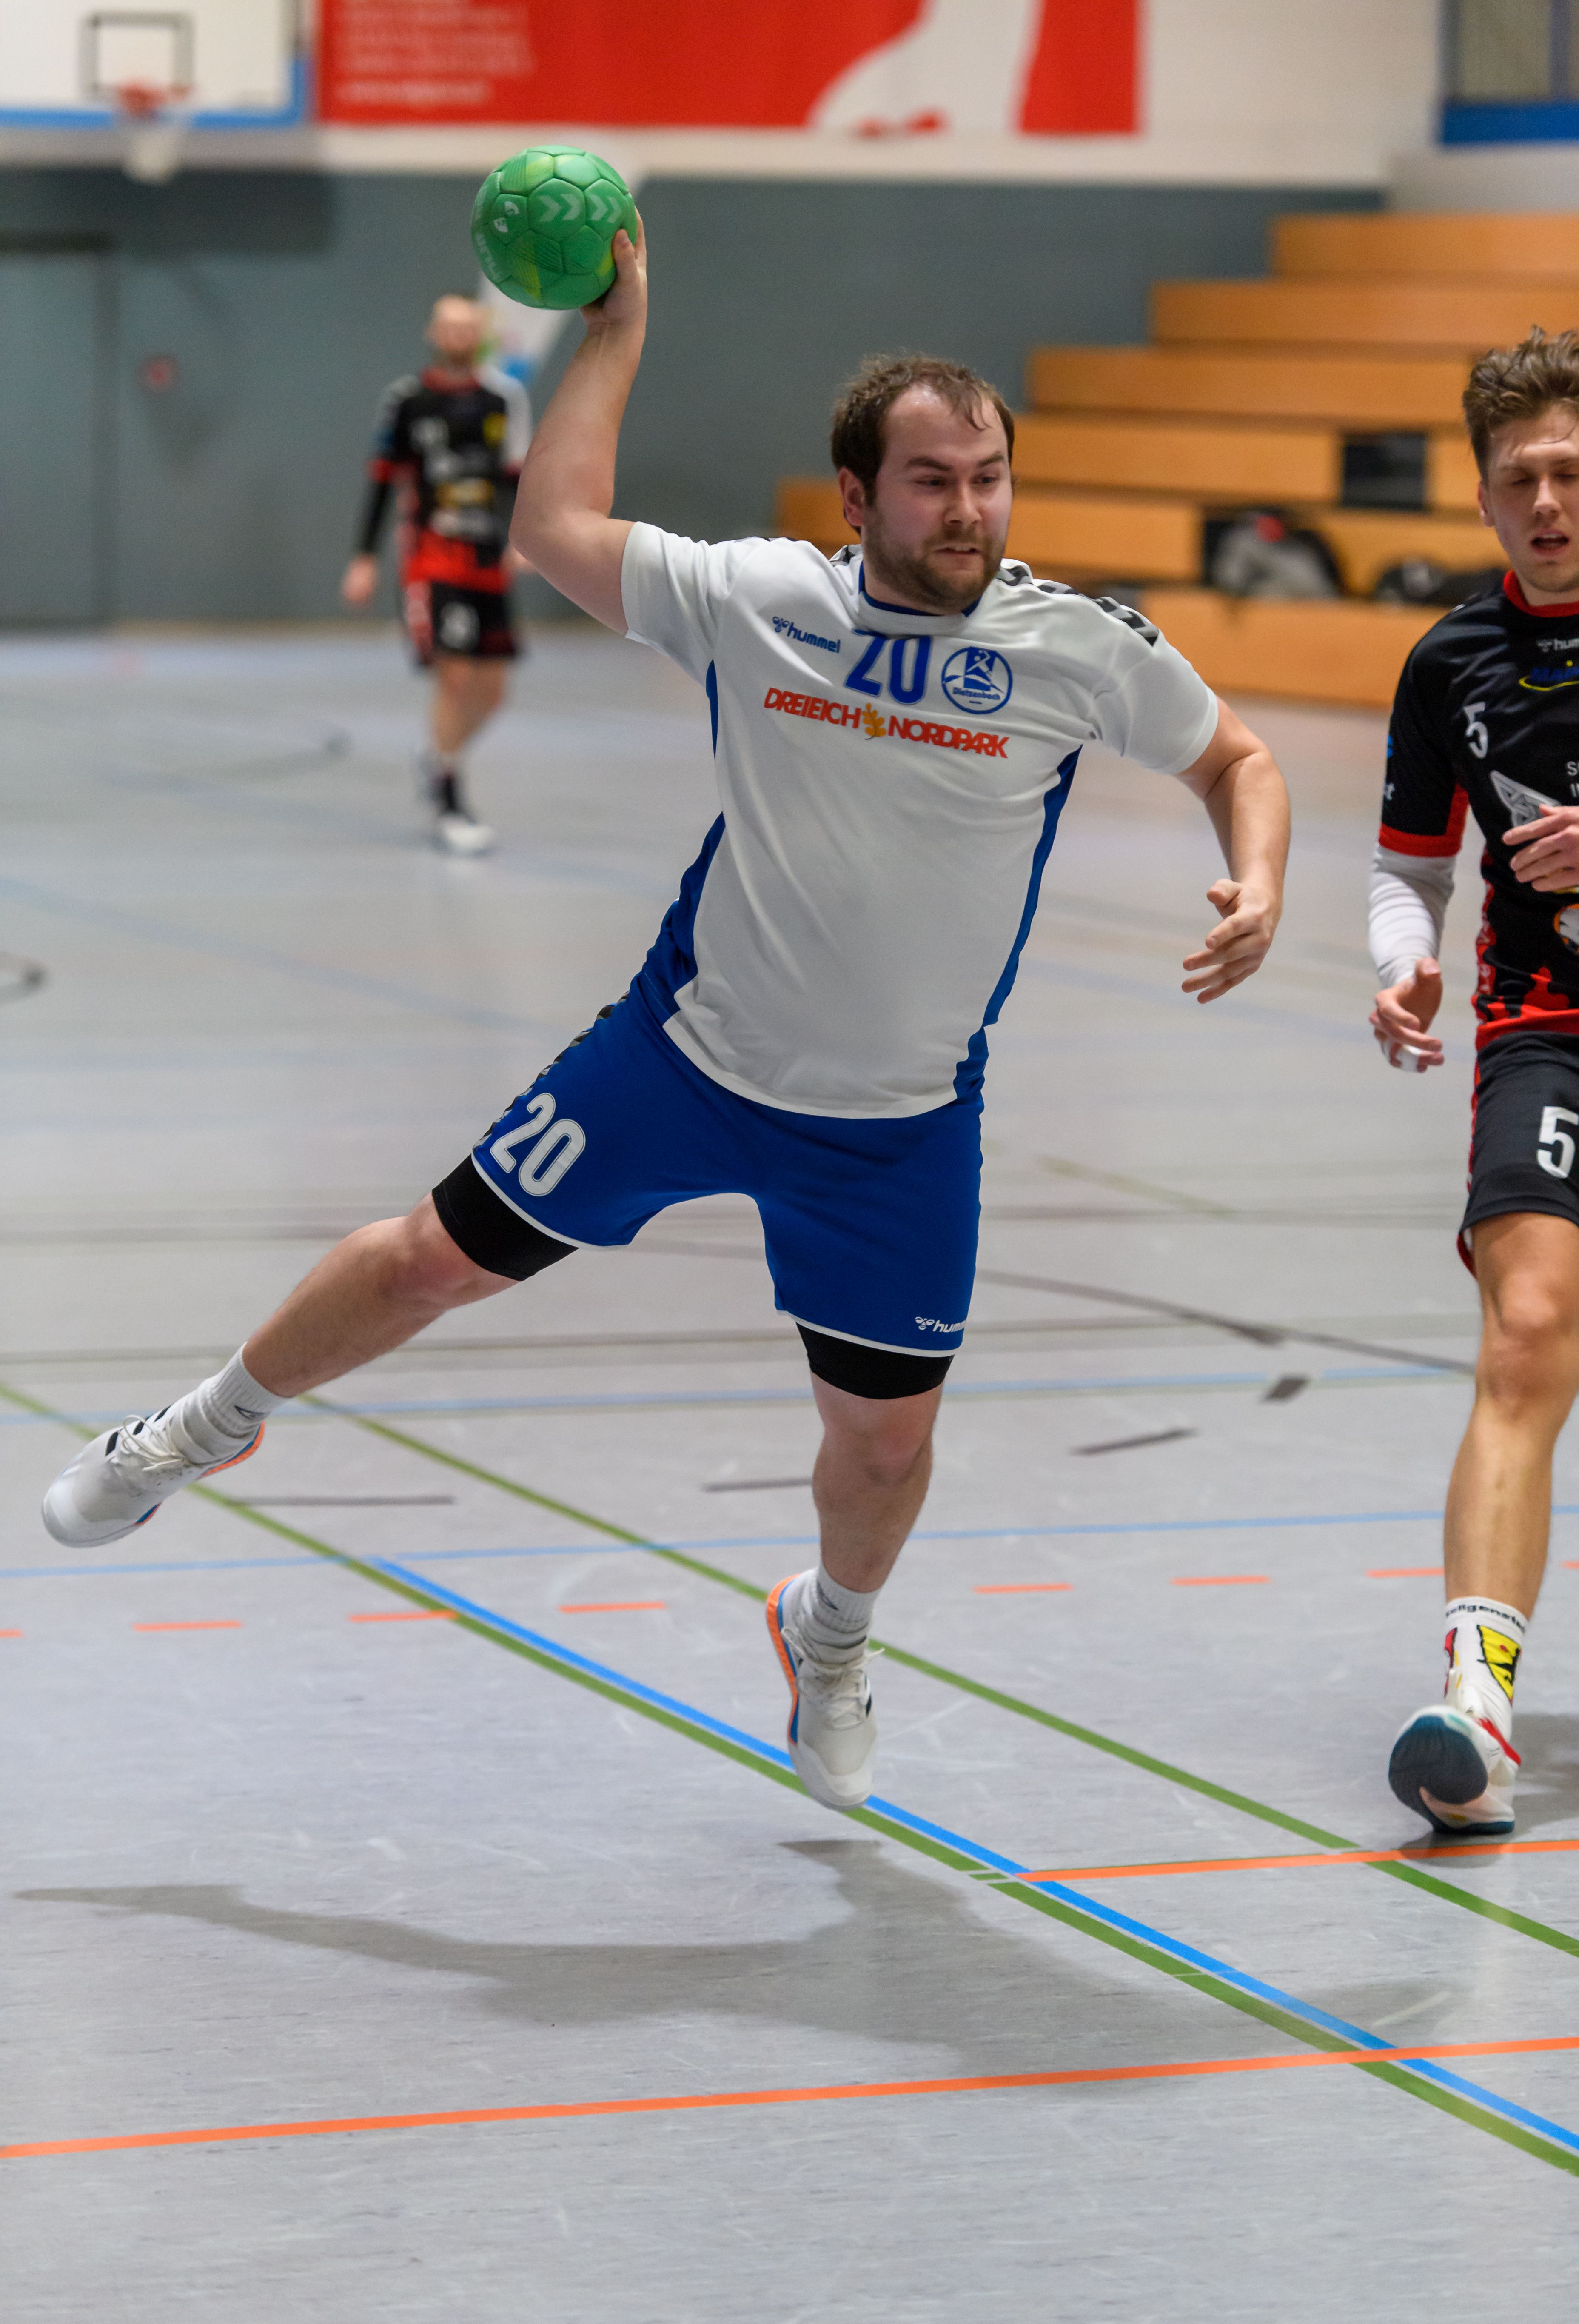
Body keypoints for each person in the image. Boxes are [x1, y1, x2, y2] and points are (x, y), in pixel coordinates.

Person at [43, 225, 1289, 1815]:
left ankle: (828, 1635)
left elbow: (1238, 758)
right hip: (682, 1064)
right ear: (857, 498)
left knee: (884, 1448)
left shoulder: (1073, 646)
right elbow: (552, 526)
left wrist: (1258, 880)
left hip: (896, 1128)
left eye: (988, 478)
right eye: (931, 482)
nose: (969, 509)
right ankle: (194, 1430)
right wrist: (618, 327)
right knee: (429, 1257)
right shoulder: (762, 600)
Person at [1371, 327, 1579, 1837]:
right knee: (1526, 1328)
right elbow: (1412, 866)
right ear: (1484, 492)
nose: (1549, 501)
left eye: (1570, 470)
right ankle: (1478, 1710)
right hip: (1542, 1022)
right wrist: (1406, 961)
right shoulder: (1449, 660)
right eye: (1521, 478)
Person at [341, 293, 530, 856]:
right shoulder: (407, 401)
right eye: (448, 326)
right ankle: (450, 799)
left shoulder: (504, 399)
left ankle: (437, 757)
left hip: (487, 557)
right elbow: (382, 480)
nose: (457, 335)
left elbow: (518, 479)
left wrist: (523, 541)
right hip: (432, 556)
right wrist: (364, 557)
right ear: (432, 333)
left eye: (467, 327)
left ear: (480, 336)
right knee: (455, 676)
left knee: (493, 692)